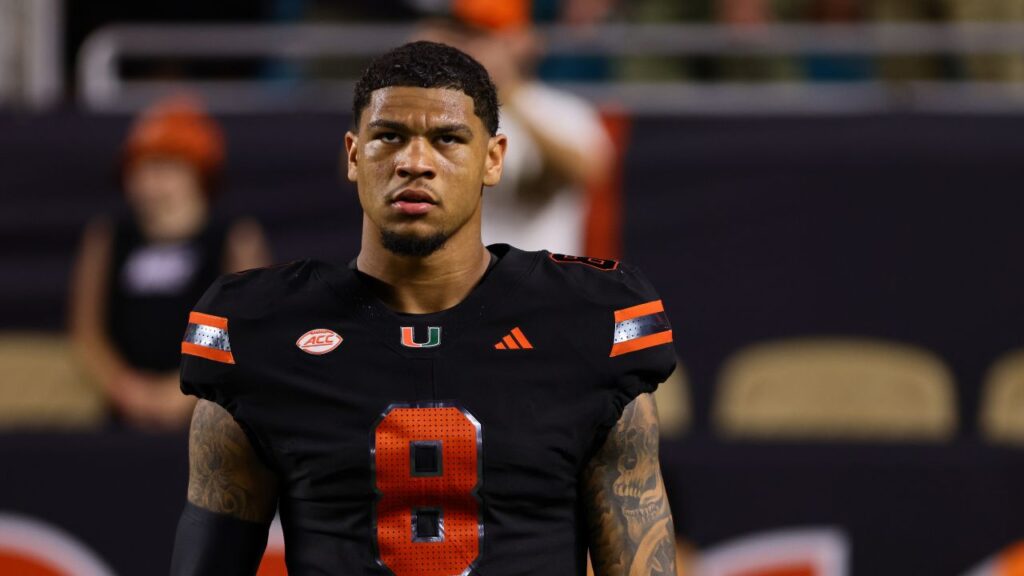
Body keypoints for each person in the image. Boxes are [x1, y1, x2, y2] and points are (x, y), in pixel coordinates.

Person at [171, 41, 676, 575]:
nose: (414, 163)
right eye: (389, 136)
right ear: (353, 155)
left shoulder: (581, 322)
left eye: (447, 139)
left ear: (493, 158)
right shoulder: (266, 330)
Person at [69, 96, 270, 431]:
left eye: (164, 168)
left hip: (205, 415)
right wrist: (123, 388)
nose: (149, 182)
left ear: (198, 172)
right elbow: (88, 332)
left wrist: (184, 393)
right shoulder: (109, 237)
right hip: (123, 412)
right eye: (140, 167)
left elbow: (242, 330)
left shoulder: (233, 239)